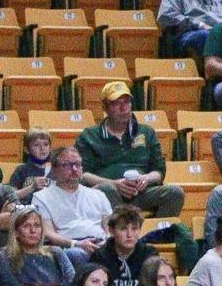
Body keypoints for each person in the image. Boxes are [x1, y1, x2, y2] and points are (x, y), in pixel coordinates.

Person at [75, 82, 181, 218]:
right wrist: (114, 184)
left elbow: (159, 171)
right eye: (116, 103)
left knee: (175, 192)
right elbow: (82, 174)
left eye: (126, 102)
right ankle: (125, 232)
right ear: (105, 107)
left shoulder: (146, 132)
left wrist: (146, 179)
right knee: (106, 189)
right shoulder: (89, 136)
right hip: (108, 195)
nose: (123, 108)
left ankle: (157, 235)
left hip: (141, 194)